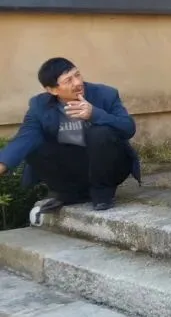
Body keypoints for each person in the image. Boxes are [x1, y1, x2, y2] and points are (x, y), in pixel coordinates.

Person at [0, 58, 139, 212]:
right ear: (52, 90)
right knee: (34, 146)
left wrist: (95, 114)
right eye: (68, 80)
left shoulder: (105, 94)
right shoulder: (39, 106)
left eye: (77, 75)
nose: (78, 83)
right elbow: (25, 137)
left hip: (109, 165)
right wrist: (2, 164)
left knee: (100, 132)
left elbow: (128, 128)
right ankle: (70, 194)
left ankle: (102, 195)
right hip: (72, 167)